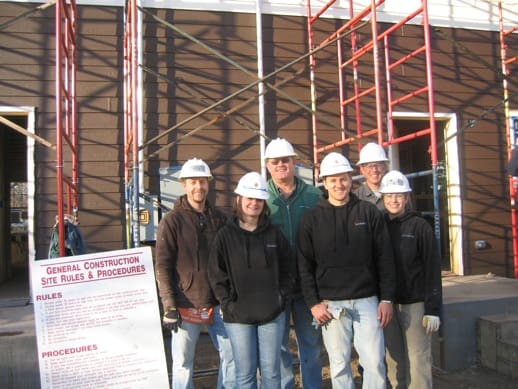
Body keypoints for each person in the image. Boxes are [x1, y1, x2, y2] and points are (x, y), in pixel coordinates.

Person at [297, 151, 396, 388]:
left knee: (374, 362)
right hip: (331, 305)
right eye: (333, 180)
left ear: (351, 180)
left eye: (343, 178)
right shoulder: (311, 219)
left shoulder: (368, 212)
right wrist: (313, 303)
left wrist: (387, 299)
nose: (339, 184)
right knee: (339, 365)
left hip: (367, 300)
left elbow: (384, 257)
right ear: (325, 182)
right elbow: (304, 265)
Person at [155, 158, 235, 389]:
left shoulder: (220, 219)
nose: (198, 187)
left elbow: (230, 259)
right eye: (193, 182)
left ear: (208, 184)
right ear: (184, 185)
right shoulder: (172, 221)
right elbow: (163, 265)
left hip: (218, 303)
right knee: (182, 363)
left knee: (231, 356)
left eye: (202, 181)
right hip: (185, 304)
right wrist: (169, 305)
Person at [208, 172, 294, 388]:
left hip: (271, 315)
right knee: (244, 375)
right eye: (249, 198)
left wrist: (280, 298)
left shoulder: (274, 234)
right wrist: (227, 303)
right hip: (238, 317)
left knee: (272, 374)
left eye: (258, 199)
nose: (253, 203)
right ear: (239, 199)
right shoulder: (225, 236)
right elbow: (216, 273)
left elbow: (289, 270)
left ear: (263, 203)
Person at [264, 137, 323, 389]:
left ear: (294, 163)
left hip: (307, 286)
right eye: (275, 162)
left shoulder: (313, 195)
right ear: (268, 165)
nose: (281, 165)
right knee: (278, 348)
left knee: (310, 344)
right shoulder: (260, 196)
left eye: (285, 161)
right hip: (275, 287)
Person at [379, 170, 443, 389]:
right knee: (393, 357)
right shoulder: (379, 225)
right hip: (387, 304)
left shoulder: (420, 226)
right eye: (389, 196)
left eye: (399, 195)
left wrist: (433, 308)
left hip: (414, 303)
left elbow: (432, 268)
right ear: (383, 197)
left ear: (407, 197)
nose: (394, 200)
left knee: (418, 358)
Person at [354, 142, 390, 211]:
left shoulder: (396, 192)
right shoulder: (356, 198)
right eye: (369, 166)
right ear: (362, 169)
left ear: (385, 167)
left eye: (378, 164)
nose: (374, 170)